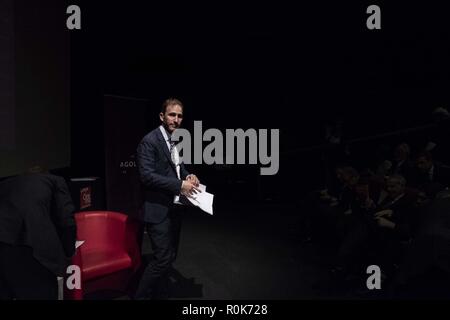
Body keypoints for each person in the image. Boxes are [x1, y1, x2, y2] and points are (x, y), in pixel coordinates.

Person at [134, 98, 200, 299]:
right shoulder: (150, 141)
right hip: (158, 210)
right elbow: (146, 176)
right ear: (162, 116)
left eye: (180, 116)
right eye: (172, 115)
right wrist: (180, 185)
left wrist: (188, 175)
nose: (176, 119)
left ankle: (160, 292)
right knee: (162, 259)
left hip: (174, 209)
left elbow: (176, 169)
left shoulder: (172, 141)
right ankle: (140, 296)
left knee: (171, 256)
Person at [0, 171, 77, 300]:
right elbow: (67, 223)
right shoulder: (56, 180)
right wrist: (69, 252)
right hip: (31, 247)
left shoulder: (5, 184)